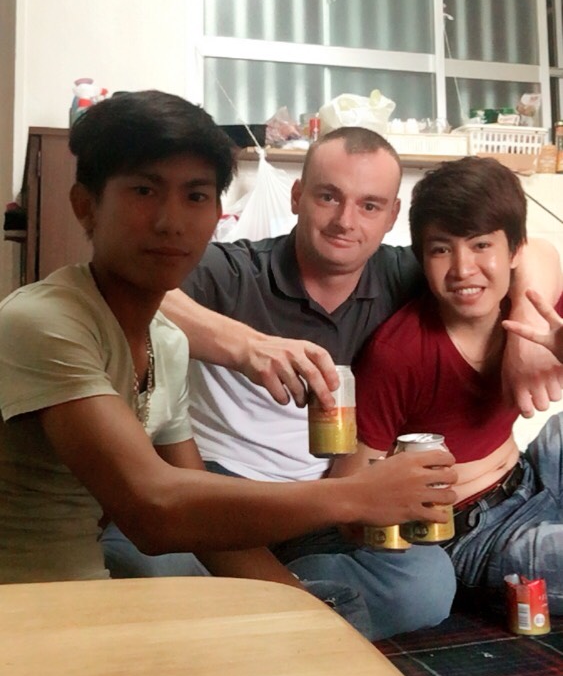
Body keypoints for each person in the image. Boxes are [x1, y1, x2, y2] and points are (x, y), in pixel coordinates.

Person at [0, 92, 457, 618]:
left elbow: (202, 527)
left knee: (420, 584)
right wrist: (357, 496)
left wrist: (301, 610)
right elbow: (155, 512)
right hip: (34, 612)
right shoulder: (44, 322)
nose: (171, 222)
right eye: (145, 190)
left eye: (195, 196)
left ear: (217, 213)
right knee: (155, 579)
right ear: (86, 205)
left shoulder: (165, 342)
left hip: (242, 533)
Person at [109, 127, 562, 640]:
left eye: (369, 206)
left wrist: (525, 330)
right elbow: (124, 284)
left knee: (427, 583)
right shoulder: (236, 271)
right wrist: (246, 346)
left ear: (391, 216)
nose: (347, 221)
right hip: (220, 492)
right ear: (297, 197)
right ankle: (283, 608)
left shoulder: (407, 273)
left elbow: (530, 250)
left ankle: (260, 609)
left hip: (325, 508)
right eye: (328, 197)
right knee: (134, 570)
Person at [340, 156, 563, 613]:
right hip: (474, 533)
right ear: (422, 259)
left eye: (481, 245)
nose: (463, 268)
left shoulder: (532, 308)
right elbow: (348, 492)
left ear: (514, 252)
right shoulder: (398, 353)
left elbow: (544, 254)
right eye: (442, 249)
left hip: (531, 473)